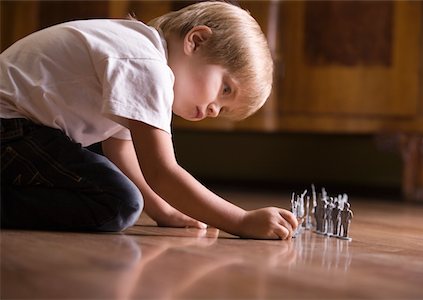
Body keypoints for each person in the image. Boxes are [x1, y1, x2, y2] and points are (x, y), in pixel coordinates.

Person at [0, 1, 298, 239]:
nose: (214, 110)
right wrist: (241, 220)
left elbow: (121, 151)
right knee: (117, 202)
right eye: (225, 89)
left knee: (107, 180)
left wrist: (162, 211)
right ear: (196, 41)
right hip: (10, 125)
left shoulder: (135, 50)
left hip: (17, 128)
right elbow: (161, 172)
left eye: (223, 108)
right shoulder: (147, 67)